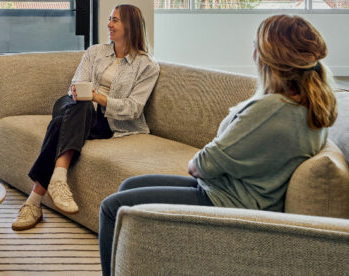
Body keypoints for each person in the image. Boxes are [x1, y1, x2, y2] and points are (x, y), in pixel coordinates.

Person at [97, 14, 338, 276]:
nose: (253, 52)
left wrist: (197, 161)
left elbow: (203, 165)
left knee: (112, 207)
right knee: (130, 186)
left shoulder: (272, 110)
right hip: (231, 190)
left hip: (227, 202)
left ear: (269, 58)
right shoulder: (308, 104)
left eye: (257, 46)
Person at [11, 4, 160, 232]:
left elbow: (133, 109)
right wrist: (83, 95)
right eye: (110, 19)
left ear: (130, 26)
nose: (109, 24)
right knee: (77, 106)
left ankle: (34, 202)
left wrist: (98, 98)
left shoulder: (147, 66)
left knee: (66, 120)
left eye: (116, 20)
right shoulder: (95, 52)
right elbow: (76, 83)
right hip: (74, 106)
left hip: (107, 121)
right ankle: (58, 180)